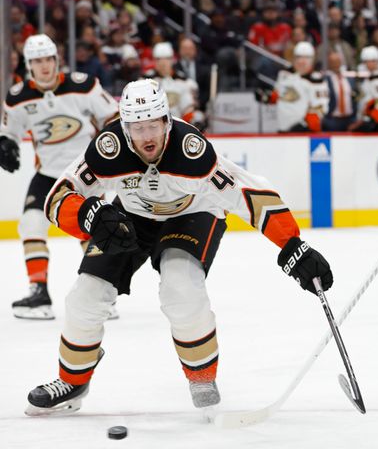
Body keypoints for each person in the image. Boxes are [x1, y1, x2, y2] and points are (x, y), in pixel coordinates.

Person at [25, 79, 333, 415]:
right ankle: (72, 380)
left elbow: (248, 193)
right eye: (138, 128)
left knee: (181, 288)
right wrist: (88, 214)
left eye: (153, 126)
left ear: (167, 121)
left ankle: (202, 378)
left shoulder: (192, 152)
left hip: (194, 214)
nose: (147, 137)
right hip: (133, 217)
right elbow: (57, 196)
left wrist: (291, 244)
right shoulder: (107, 148)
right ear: (125, 128)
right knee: (85, 296)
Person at [0, 34, 118, 320]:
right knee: (30, 224)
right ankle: (38, 291)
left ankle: (100, 293)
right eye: (37, 61)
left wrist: (109, 144)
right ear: (29, 65)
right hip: (48, 174)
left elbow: (112, 116)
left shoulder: (84, 85)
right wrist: (5, 144)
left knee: (89, 230)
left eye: (48, 59)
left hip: (85, 173)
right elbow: (8, 131)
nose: (44, 66)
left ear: (57, 60)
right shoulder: (17, 98)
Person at [270, 41, 330, 133]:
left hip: (302, 132)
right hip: (282, 129)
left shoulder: (316, 80)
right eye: (299, 57)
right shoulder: (284, 75)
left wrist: (304, 124)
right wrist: (266, 97)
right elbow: (277, 96)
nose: (302, 61)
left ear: (313, 59)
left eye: (307, 57)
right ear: (293, 58)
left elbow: (320, 108)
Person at [145, 42, 204, 130]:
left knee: (198, 116)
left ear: (173, 60)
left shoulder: (184, 82)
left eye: (166, 59)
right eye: (158, 59)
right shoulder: (144, 81)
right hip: (151, 129)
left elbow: (188, 110)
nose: (162, 63)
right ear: (154, 60)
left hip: (177, 127)